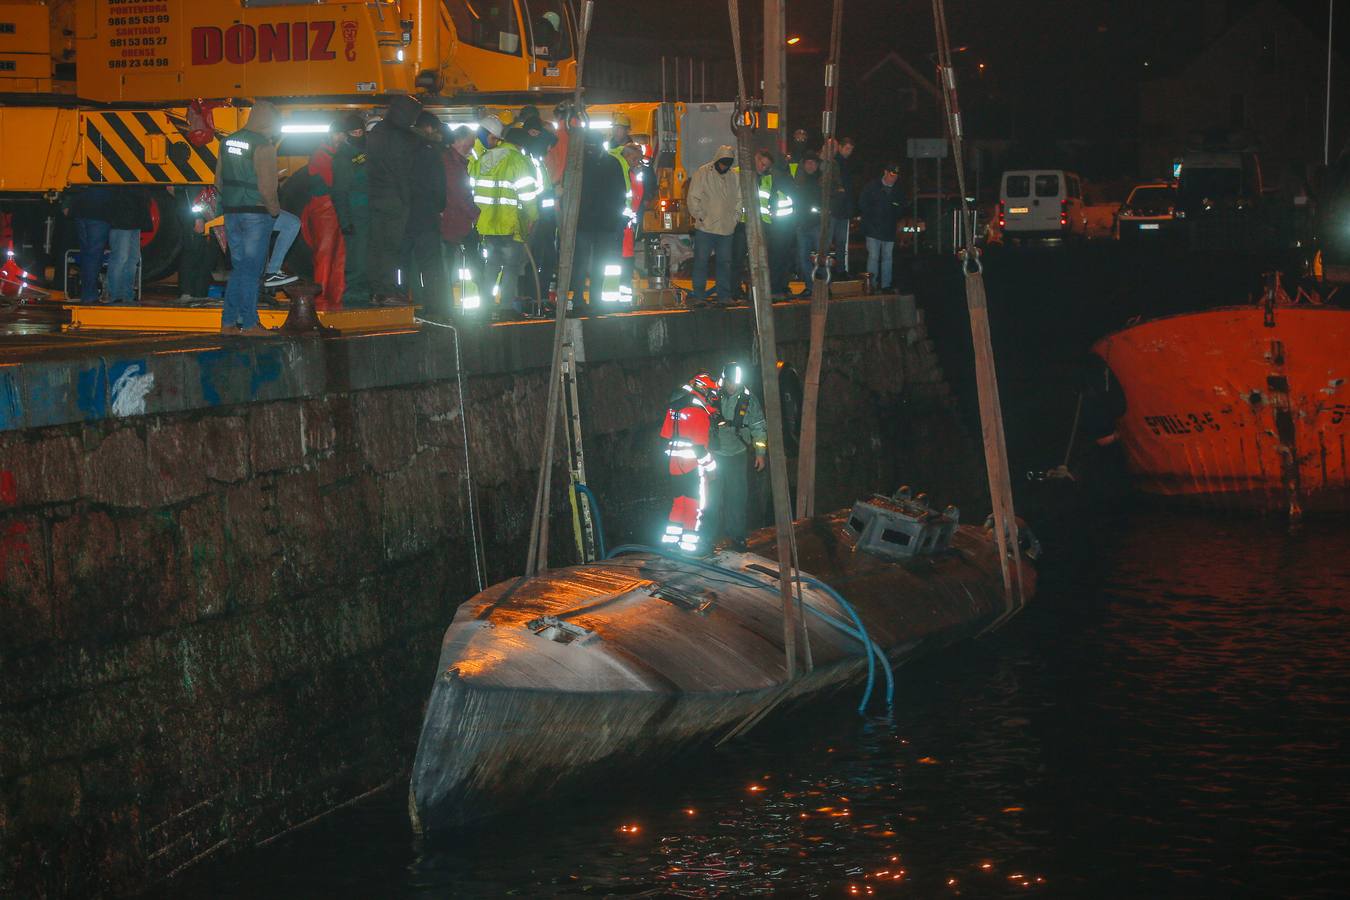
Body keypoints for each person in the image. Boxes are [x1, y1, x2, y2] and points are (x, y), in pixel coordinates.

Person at [217, 100, 298, 333]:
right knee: (252, 271)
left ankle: (228, 323)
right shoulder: (264, 147)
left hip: (232, 213)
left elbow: (218, 182)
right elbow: (267, 188)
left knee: (239, 268)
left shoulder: (227, 141)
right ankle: (250, 324)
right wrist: (273, 211)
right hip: (256, 214)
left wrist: (234, 201)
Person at [472, 114, 540, 320]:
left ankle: (485, 306)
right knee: (510, 267)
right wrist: (533, 216)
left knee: (491, 266)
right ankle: (505, 309)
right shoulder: (518, 160)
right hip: (510, 223)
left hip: (486, 225)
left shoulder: (486, 157)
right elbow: (527, 195)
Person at [366, 94, 424, 304]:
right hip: (394, 199)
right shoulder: (401, 136)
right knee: (391, 246)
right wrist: (406, 199)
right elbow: (401, 171)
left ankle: (375, 289)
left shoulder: (377, 131)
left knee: (375, 245)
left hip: (374, 196)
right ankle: (387, 290)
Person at [302, 114, 361, 310]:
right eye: (341, 135)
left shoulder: (333, 155)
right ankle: (320, 299)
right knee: (325, 256)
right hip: (324, 210)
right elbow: (335, 184)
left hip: (334, 209)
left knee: (339, 257)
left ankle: (335, 299)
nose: (343, 139)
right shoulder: (322, 155)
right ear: (333, 135)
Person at [660, 372, 721, 556]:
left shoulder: (674, 408)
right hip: (693, 468)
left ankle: (670, 545)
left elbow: (664, 437)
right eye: (711, 394)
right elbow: (700, 449)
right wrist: (712, 469)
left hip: (674, 467)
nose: (712, 398)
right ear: (703, 389)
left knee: (678, 505)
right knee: (694, 508)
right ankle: (690, 548)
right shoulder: (700, 412)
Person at [568, 130, 628, 312]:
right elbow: (621, 192)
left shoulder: (579, 163)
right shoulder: (611, 163)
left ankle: (585, 300)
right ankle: (590, 301)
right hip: (597, 223)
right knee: (591, 264)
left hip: (589, 223)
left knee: (585, 264)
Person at [711, 360, 767, 552]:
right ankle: (707, 538)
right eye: (730, 382)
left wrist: (760, 453)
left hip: (737, 454)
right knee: (710, 499)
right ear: (724, 380)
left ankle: (737, 536)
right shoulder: (712, 396)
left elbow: (758, 426)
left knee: (737, 497)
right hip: (714, 455)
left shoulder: (749, 399)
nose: (733, 386)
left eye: (736, 382)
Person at [513, 106, 560, 311]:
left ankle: (537, 298)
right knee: (529, 261)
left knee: (545, 258)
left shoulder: (538, 159)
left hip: (545, 219)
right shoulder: (527, 158)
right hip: (535, 219)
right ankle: (531, 298)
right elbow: (533, 192)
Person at [686, 144, 741, 305]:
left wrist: (735, 218)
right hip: (706, 227)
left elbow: (739, 199)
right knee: (701, 261)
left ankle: (724, 296)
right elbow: (693, 197)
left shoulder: (733, 177)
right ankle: (698, 295)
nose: (725, 166)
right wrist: (701, 216)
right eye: (723, 162)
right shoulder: (703, 173)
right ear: (717, 160)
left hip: (726, 228)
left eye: (728, 163)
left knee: (725, 263)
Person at [405, 111, 448, 311]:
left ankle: (415, 302)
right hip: (426, 215)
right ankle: (436, 307)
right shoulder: (430, 151)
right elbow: (439, 185)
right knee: (431, 265)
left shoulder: (402, 149)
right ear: (429, 128)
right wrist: (439, 207)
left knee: (409, 264)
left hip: (405, 215)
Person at [332, 115, 372, 307]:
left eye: (360, 132)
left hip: (370, 213)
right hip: (355, 215)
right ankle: (354, 298)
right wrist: (345, 220)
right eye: (354, 132)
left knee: (367, 256)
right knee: (356, 259)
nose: (358, 135)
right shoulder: (344, 156)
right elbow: (339, 191)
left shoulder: (367, 151)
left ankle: (364, 294)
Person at [441, 124, 481, 315]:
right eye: (470, 143)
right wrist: (475, 213)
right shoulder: (452, 164)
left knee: (450, 265)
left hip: (455, 222)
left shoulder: (455, 161)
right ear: (459, 140)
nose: (471, 147)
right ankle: (450, 307)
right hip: (455, 222)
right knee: (455, 265)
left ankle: (449, 306)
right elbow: (458, 193)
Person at [754, 149, 796, 298]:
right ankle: (777, 289)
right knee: (779, 259)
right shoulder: (779, 176)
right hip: (778, 225)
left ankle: (777, 288)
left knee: (778, 259)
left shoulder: (771, 177)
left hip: (776, 225)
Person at [63, 185, 113, 303]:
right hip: (99, 211)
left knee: (87, 254)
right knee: (94, 255)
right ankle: (89, 294)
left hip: (80, 210)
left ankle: (87, 292)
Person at [860, 161, 904, 291]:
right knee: (873, 257)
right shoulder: (872, 186)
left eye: (896, 176)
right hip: (873, 229)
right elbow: (862, 204)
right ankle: (871, 285)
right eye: (891, 175)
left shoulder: (897, 190)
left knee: (887, 258)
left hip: (889, 230)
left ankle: (886, 285)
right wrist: (872, 218)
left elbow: (901, 207)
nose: (894, 178)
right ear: (885, 173)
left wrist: (895, 213)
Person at [105, 187, 152, 305]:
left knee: (128, 259)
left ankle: (122, 295)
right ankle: (118, 295)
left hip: (129, 219)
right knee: (124, 258)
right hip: (126, 218)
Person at [179, 185, 221, 300]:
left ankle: (200, 293)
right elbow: (192, 195)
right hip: (198, 215)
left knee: (207, 255)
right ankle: (187, 292)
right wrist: (197, 218)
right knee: (193, 251)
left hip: (208, 214)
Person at [619, 142, 647, 304]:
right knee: (619, 265)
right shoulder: (623, 174)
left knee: (626, 264)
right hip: (620, 228)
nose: (638, 162)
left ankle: (624, 300)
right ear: (627, 157)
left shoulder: (633, 174)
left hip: (626, 229)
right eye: (636, 158)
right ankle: (619, 300)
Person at [794, 153, 823, 294]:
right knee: (803, 258)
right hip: (802, 225)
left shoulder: (822, 181)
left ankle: (823, 287)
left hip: (818, 225)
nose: (810, 165)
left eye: (813, 163)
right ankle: (810, 287)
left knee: (822, 259)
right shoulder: (798, 182)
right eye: (807, 162)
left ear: (817, 165)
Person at [828, 136, 857, 273]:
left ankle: (840, 270)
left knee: (840, 242)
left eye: (851, 150)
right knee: (829, 242)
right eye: (847, 149)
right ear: (840, 147)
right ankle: (828, 271)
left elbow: (850, 189)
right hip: (834, 208)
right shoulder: (834, 163)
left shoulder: (848, 164)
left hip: (843, 209)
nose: (849, 152)